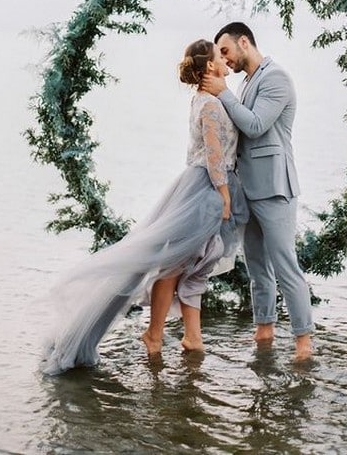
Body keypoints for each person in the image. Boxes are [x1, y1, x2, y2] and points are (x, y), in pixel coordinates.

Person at [41, 39, 248, 375]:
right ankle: (154, 335)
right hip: (206, 187)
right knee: (174, 263)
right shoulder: (209, 105)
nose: (225, 60)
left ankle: (186, 337)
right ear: (209, 66)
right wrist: (224, 195)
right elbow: (212, 154)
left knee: (183, 261)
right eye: (219, 56)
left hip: (200, 185)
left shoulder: (208, 98)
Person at [202, 22, 314, 361]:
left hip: (275, 188)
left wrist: (223, 92)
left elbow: (254, 125)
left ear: (244, 42)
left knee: (284, 265)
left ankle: (303, 342)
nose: (224, 60)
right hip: (248, 189)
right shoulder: (249, 81)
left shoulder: (275, 78)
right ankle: (264, 330)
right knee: (256, 267)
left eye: (225, 51)